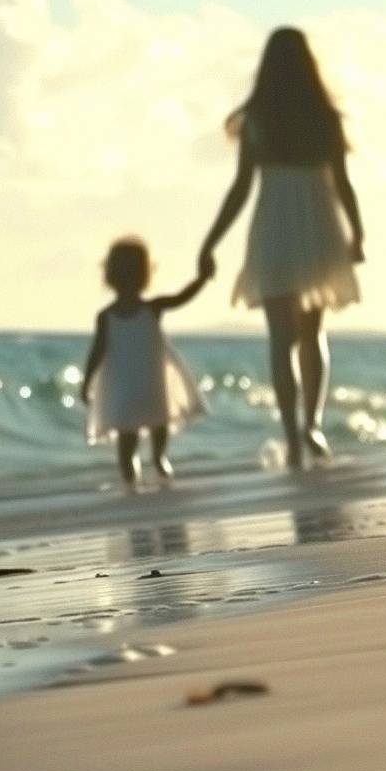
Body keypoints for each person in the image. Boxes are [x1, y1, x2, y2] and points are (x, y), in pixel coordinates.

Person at [198, 27, 365, 469]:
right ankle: (311, 424)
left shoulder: (259, 121)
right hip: (318, 224)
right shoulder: (324, 120)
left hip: (274, 226)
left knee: (281, 340)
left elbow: (239, 190)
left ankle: (292, 436)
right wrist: (357, 233)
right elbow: (343, 184)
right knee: (313, 332)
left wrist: (211, 242)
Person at [81, 237, 208, 486]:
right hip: (150, 384)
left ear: (109, 276)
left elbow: (97, 352)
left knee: (127, 435)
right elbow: (182, 297)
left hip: (125, 389)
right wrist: (202, 278)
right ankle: (158, 460)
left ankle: (131, 474)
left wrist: (87, 382)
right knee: (157, 424)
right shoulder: (151, 308)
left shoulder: (108, 316)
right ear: (146, 275)